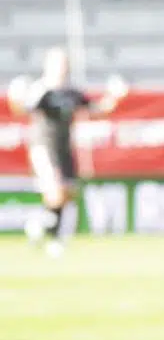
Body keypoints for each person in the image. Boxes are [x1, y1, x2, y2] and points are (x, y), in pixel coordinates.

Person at [6, 49, 129, 257]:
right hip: (43, 146)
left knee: (67, 194)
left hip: (64, 148)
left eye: (64, 63)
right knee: (55, 190)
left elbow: (98, 109)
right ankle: (54, 240)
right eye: (58, 63)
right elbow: (22, 110)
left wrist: (116, 96)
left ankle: (40, 226)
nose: (62, 68)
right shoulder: (42, 90)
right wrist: (13, 97)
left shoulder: (72, 93)